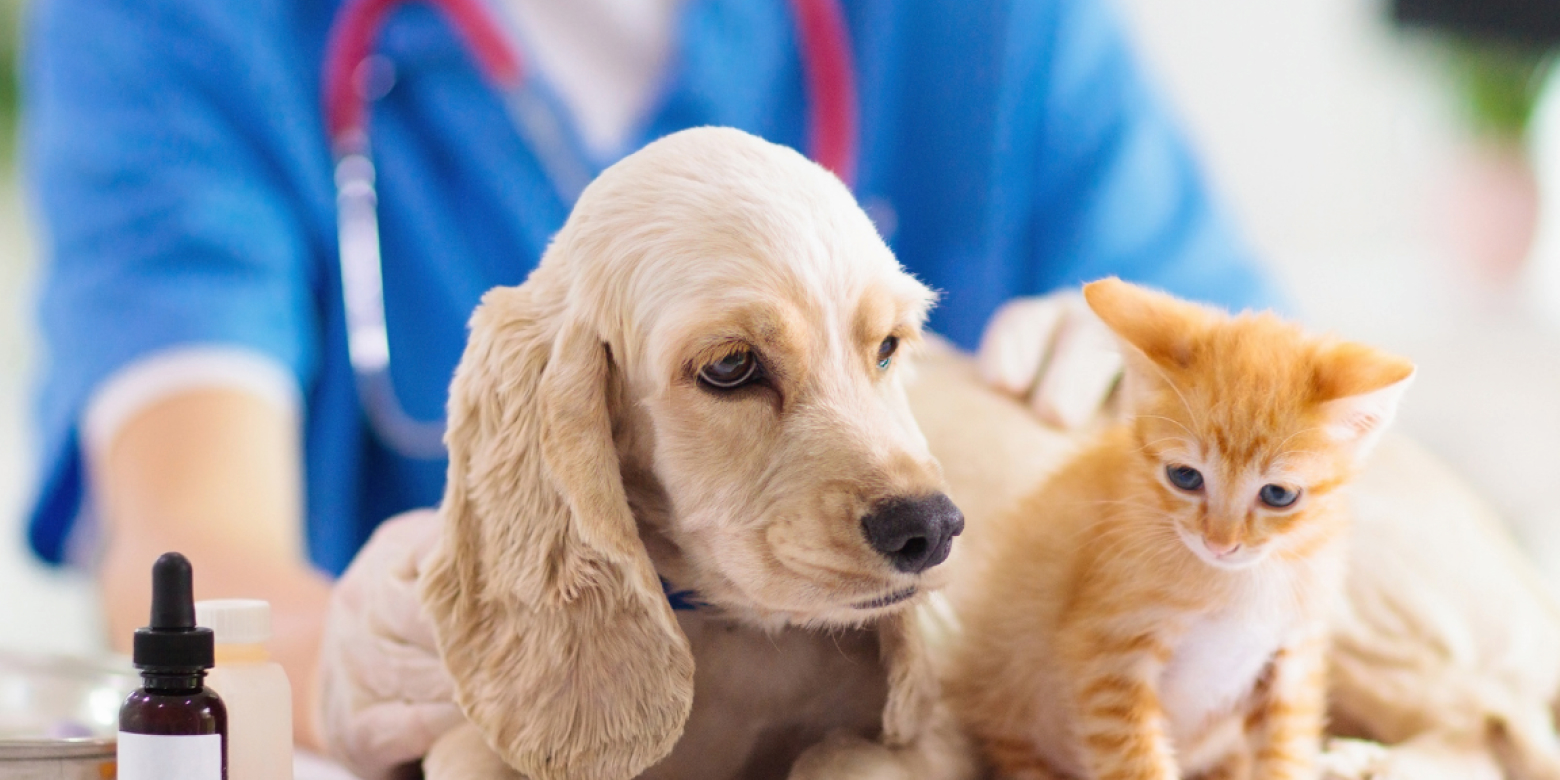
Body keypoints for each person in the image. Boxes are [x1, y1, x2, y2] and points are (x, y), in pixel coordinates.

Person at [22, 0, 1280, 750]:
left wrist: (1177, 407)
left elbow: (1301, 421)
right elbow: (186, 542)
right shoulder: (180, 24)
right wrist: (345, 658)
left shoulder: (995, 27)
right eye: (733, 364)